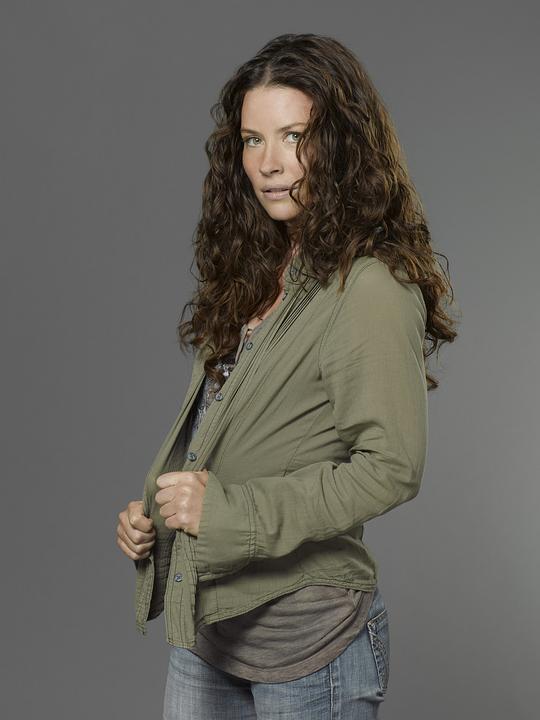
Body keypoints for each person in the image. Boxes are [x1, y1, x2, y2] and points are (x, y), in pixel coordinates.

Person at [116, 32, 458, 719]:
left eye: (294, 136)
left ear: (341, 146)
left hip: (310, 645)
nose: (268, 163)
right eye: (252, 140)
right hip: (206, 630)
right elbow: (230, 428)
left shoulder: (370, 286)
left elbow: (391, 467)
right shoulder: (255, 270)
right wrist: (157, 514)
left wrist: (229, 514)